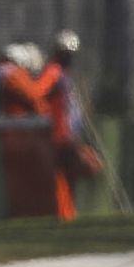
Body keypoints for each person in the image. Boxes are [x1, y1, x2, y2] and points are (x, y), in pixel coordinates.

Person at [35, 29, 100, 221]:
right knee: (62, 175)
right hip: (58, 134)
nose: (69, 58)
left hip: (69, 133)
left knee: (71, 173)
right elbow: (39, 93)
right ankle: (64, 214)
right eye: (65, 53)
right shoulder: (53, 72)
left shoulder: (65, 74)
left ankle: (68, 213)